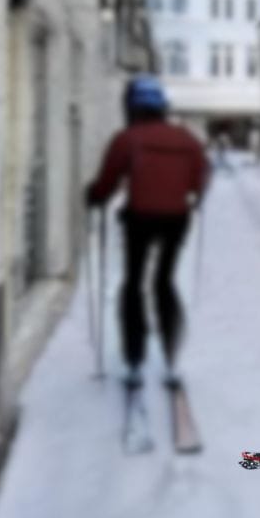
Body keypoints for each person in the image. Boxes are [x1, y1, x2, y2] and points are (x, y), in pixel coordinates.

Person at [85, 75, 209, 382]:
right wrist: (191, 196)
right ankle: (171, 357)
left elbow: (108, 179)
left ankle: (134, 358)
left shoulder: (128, 138)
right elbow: (200, 174)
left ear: (135, 107)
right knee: (164, 283)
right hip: (175, 219)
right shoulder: (185, 138)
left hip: (139, 218)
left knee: (134, 284)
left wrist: (96, 195)